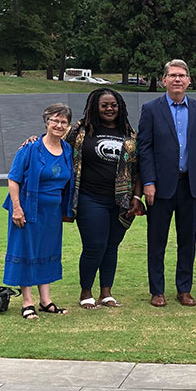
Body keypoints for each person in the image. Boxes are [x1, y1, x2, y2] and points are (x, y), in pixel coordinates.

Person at [138, 59, 196, 307]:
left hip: (191, 185)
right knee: (157, 241)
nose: (177, 79)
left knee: (188, 241)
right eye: (172, 75)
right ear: (164, 80)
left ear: (189, 80)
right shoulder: (151, 109)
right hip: (160, 187)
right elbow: (145, 148)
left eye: (182, 75)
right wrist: (148, 182)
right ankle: (157, 291)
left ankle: (184, 289)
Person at [65, 88, 143, 309]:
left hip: (120, 200)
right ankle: (86, 292)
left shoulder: (130, 135)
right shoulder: (80, 131)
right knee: (94, 245)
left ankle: (106, 293)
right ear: (94, 108)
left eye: (114, 105)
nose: (110, 108)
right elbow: (53, 142)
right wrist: (33, 140)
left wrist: (136, 197)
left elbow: (139, 170)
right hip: (90, 197)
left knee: (112, 246)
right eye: (104, 105)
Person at [3, 103, 74, 320]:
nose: (59, 125)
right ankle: (27, 302)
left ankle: (46, 301)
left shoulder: (68, 150)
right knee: (27, 251)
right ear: (46, 122)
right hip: (27, 209)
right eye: (55, 120)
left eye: (63, 122)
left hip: (53, 212)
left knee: (47, 252)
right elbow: (13, 178)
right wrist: (17, 208)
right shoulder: (30, 148)